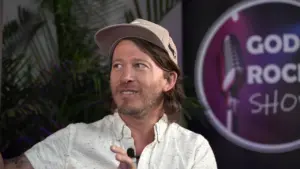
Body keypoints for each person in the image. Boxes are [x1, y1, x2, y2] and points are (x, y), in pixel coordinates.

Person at [0, 18, 218, 169]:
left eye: (139, 65)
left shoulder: (193, 150)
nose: (125, 76)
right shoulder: (73, 139)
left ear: (168, 80)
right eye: (117, 65)